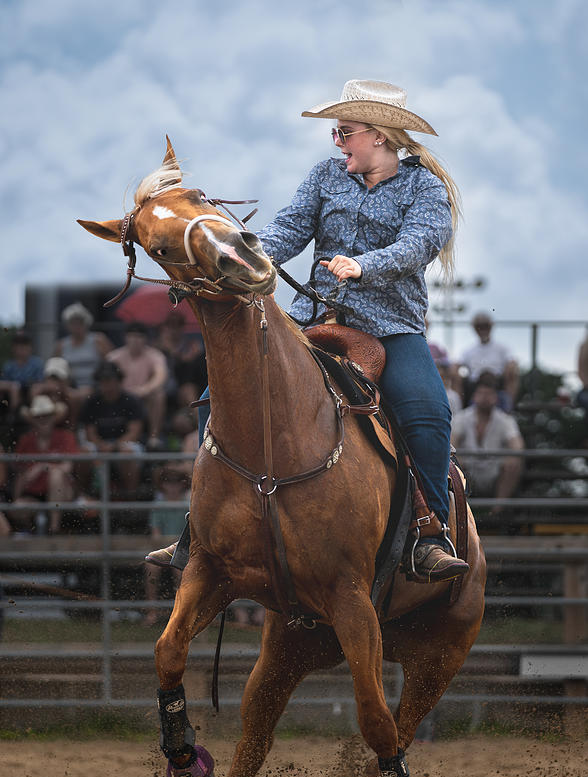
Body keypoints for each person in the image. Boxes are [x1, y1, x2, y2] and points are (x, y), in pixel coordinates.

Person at [149, 79, 469, 583]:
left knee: (426, 412)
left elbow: (420, 243)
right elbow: (290, 228)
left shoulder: (423, 187)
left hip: (391, 328)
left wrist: (365, 266)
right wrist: (246, 256)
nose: (337, 142)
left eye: (345, 132)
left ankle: (430, 533)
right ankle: (201, 525)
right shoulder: (324, 176)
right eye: (335, 134)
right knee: (215, 400)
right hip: (309, 322)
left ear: (380, 136)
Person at [451, 372, 524, 514]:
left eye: (489, 394)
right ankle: (462, 510)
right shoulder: (462, 418)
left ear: (496, 398)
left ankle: (498, 510)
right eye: (481, 393)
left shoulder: (505, 420)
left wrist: (511, 456)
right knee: (454, 461)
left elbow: (518, 446)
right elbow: (452, 443)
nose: (484, 398)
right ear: (474, 396)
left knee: (513, 463)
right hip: (468, 469)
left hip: (495, 471)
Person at [12, 395, 79, 534]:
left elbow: (68, 467)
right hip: (33, 494)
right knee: (17, 507)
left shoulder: (66, 437)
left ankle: (53, 530)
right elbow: (20, 475)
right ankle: (31, 529)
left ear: (54, 417)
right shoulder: (25, 441)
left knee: (56, 475)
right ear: (33, 420)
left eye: (47, 415)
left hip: (62, 492)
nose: (43, 419)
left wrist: (44, 466)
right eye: (39, 416)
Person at [78, 360, 146, 497]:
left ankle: (131, 496)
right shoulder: (91, 402)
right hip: (99, 444)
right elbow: (89, 433)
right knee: (84, 452)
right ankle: (83, 495)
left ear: (118, 381)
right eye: (103, 381)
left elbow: (134, 432)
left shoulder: (131, 400)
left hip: (125, 443)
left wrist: (114, 445)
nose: (107, 385)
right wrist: (101, 445)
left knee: (126, 452)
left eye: (110, 380)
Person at [107, 322, 168, 450]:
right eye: (132, 336)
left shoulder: (155, 355)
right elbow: (106, 379)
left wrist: (145, 389)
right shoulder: (113, 357)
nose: (135, 340)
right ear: (126, 337)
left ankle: (154, 437)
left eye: (139, 336)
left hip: (143, 396)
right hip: (119, 396)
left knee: (158, 395)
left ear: (145, 339)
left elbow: (160, 376)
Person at [144, 466, 191, 624]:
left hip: (184, 551)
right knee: (151, 568)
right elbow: (155, 535)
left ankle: (182, 614)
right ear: (162, 484)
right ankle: (152, 612)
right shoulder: (159, 505)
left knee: (180, 571)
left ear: (182, 484)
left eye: (176, 482)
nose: (172, 486)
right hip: (166, 549)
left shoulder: (188, 505)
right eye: (168, 482)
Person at [55, 303, 114, 417]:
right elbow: (55, 367)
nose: (76, 326)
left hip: (96, 384)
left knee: (79, 397)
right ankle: (74, 430)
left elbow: (111, 364)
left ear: (86, 323)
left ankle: (80, 427)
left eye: (80, 322)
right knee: (70, 395)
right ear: (67, 325)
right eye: (73, 323)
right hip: (70, 385)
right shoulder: (61, 345)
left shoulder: (99, 340)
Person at [458, 312, 519, 411]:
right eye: (479, 326)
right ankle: (458, 411)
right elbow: (457, 364)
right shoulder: (468, 350)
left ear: (491, 327)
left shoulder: (502, 348)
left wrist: (510, 367)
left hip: (497, 384)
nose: (482, 329)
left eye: (485, 326)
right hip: (474, 385)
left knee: (512, 370)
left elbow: (512, 361)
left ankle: (509, 408)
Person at [0, 331, 44, 412]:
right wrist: (14, 386)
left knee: (34, 389)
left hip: (30, 393)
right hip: (11, 395)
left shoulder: (37, 363)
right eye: (18, 345)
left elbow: (40, 382)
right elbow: (3, 382)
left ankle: (34, 413)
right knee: (14, 387)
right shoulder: (9, 365)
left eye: (24, 345)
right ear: (13, 348)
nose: (21, 349)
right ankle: (12, 415)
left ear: (30, 347)